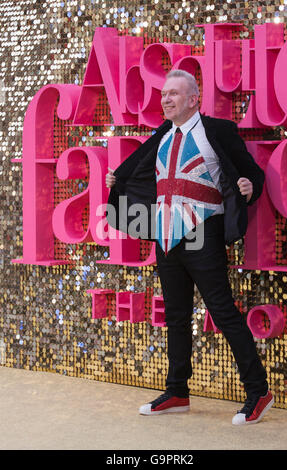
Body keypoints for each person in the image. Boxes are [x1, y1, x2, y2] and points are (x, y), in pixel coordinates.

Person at [105, 69, 274, 425]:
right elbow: (136, 171)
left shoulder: (218, 131)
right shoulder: (162, 134)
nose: (165, 99)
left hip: (202, 231)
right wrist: (116, 181)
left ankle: (258, 390)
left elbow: (253, 174)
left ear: (194, 99)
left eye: (174, 94)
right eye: (163, 94)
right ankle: (178, 391)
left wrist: (249, 186)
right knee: (176, 317)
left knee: (223, 312)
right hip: (166, 235)